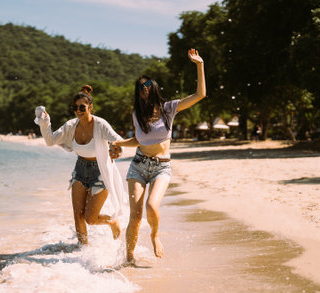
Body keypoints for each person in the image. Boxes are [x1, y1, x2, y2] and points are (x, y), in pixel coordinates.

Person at [110, 48, 206, 263]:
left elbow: (200, 95)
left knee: (152, 206)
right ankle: (129, 258)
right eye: (139, 87)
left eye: (146, 86)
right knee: (134, 217)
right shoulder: (137, 115)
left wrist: (199, 65)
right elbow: (139, 140)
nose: (142, 90)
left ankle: (154, 236)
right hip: (138, 166)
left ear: (153, 88)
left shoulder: (168, 109)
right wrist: (118, 143)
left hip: (162, 167)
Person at [35, 85, 126, 245]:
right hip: (80, 168)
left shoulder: (100, 124)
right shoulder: (71, 126)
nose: (78, 110)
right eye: (75, 107)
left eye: (82, 107)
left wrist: (117, 149)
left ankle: (111, 222)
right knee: (78, 215)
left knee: (90, 218)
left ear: (90, 107)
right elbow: (50, 140)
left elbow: (118, 140)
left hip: (100, 171)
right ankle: (82, 251)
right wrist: (45, 121)